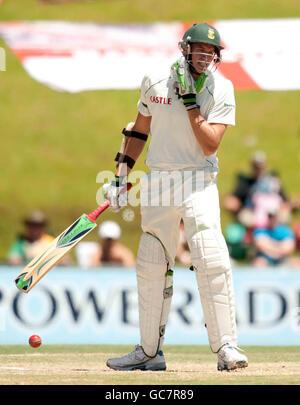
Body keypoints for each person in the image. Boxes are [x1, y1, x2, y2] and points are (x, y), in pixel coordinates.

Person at [102, 22, 248, 372]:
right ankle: (149, 352)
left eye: (211, 52)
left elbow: (210, 142)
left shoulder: (222, 88)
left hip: (199, 179)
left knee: (210, 254)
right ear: (185, 48)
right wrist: (121, 176)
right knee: (152, 261)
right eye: (199, 50)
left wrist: (189, 105)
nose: (205, 57)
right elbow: (139, 129)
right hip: (159, 180)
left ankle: (227, 347)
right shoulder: (154, 80)